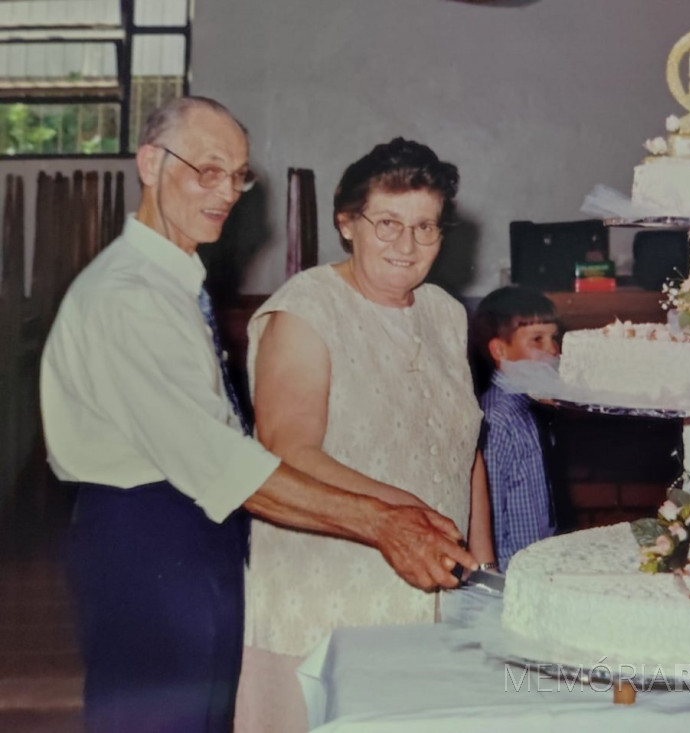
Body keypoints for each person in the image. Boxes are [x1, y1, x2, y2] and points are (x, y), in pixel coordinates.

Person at [39, 99, 476, 733]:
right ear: (150, 163)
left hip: (200, 536)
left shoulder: (173, 281)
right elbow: (227, 465)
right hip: (147, 536)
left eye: (239, 175)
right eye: (208, 169)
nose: (226, 192)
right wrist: (387, 523)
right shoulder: (127, 297)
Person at [235, 137, 495, 732]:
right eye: (388, 224)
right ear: (346, 223)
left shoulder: (445, 313)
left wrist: (481, 562)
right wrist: (413, 512)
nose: (407, 245)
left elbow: (465, 449)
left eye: (426, 227)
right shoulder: (306, 311)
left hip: (436, 580)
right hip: (329, 582)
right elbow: (287, 449)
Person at [470, 285, 562, 571]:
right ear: (500, 349)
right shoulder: (495, 419)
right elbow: (489, 512)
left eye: (553, 338)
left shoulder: (529, 406)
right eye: (538, 340)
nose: (553, 350)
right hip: (512, 570)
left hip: (539, 563)